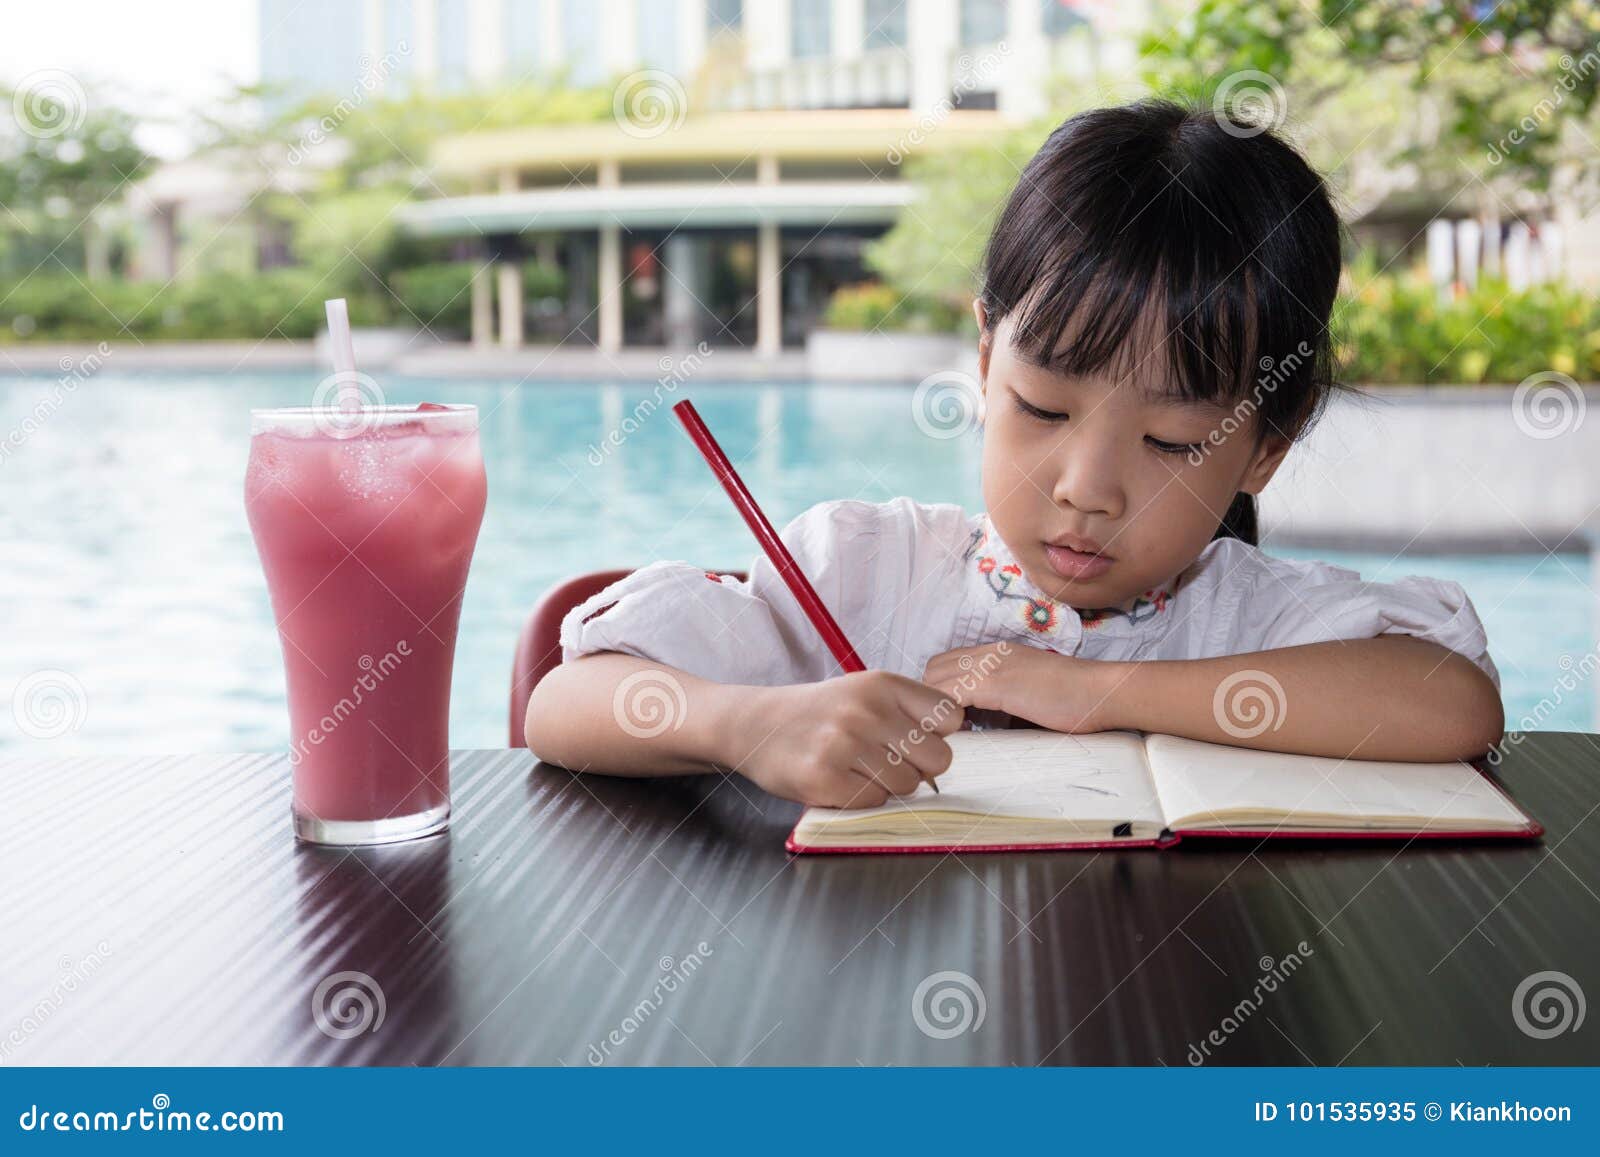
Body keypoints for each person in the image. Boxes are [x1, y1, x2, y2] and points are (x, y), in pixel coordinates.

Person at [525, 98, 1505, 808]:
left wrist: (1090, 691)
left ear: (1263, 450)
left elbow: (1451, 701)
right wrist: (745, 725)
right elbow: (566, 703)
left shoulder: (1261, 619)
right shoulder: (869, 569)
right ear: (987, 360)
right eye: (1041, 408)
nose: (1086, 488)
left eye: (1170, 440)